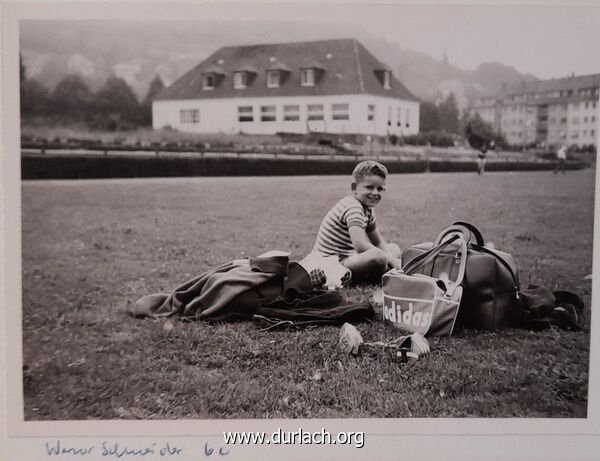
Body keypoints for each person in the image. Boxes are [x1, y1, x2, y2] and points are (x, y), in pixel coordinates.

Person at [311, 160, 403, 283]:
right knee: (379, 258)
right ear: (354, 188)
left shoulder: (368, 209)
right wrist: (391, 260)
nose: (375, 193)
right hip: (331, 262)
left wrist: (391, 257)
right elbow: (360, 245)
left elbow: (377, 241)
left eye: (380, 189)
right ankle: (380, 275)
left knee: (394, 249)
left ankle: (386, 270)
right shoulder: (353, 207)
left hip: (348, 257)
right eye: (369, 187)